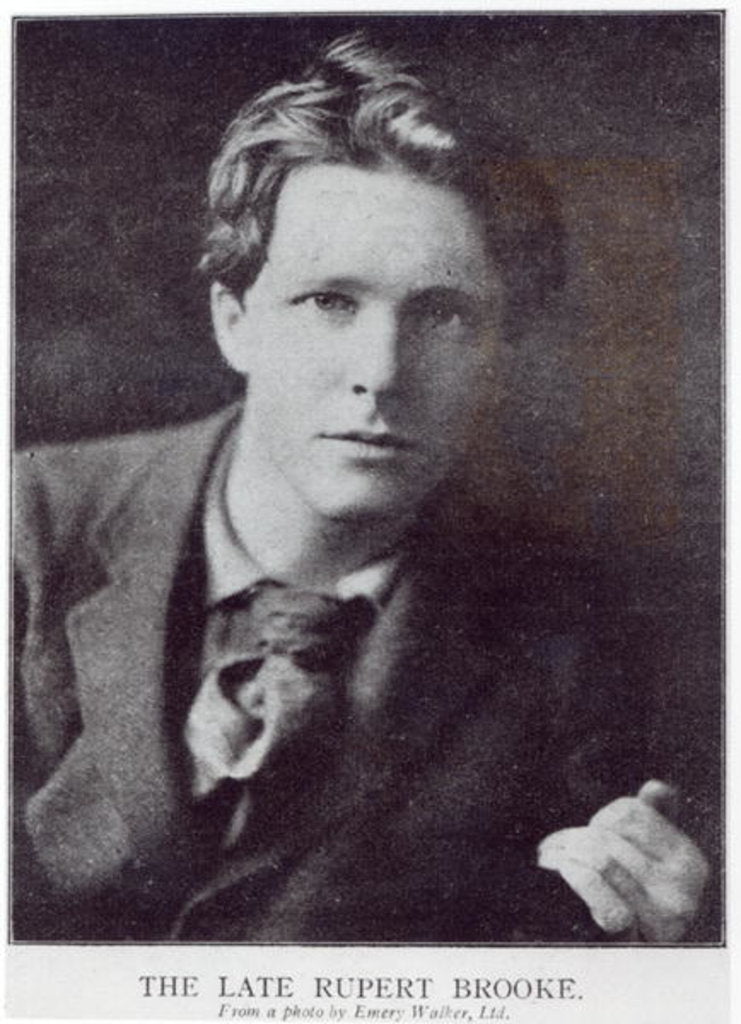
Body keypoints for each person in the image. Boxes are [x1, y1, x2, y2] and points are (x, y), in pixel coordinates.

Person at [13, 32, 711, 943]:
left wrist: (668, 957)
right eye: (328, 301)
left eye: (443, 314)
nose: (380, 372)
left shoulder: (578, 632)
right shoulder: (25, 528)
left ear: (498, 350)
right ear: (234, 321)